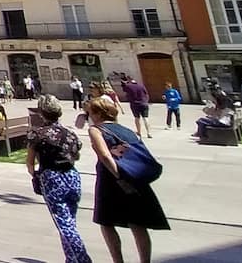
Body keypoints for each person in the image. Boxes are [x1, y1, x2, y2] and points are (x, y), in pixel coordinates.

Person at [85, 95, 169, 263]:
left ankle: (118, 261)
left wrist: (119, 177)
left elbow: (105, 156)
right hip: (135, 178)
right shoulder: (127, 130)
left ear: (99, 114)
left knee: (106, 222)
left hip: (111, 179)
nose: (90, 117)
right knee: (137, 223)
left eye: (91, 113)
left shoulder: (96, 130)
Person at [26, 95, 91, 263]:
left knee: (64, 224)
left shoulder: (37, 134)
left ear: (41, 113)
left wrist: (36, 176)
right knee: (70, 220)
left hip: (52, 177)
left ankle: (82, 259)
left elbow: (30, 163)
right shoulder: (70, 133)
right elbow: (76, 155)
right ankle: (71, 259)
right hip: (72, 175)